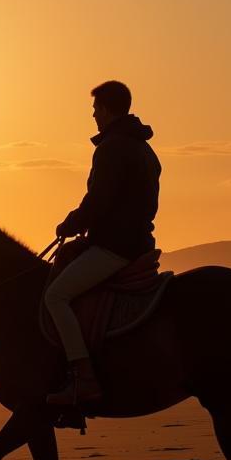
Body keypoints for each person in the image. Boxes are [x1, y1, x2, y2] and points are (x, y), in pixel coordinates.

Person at [44, 80, 161, 406]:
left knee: (56, 296)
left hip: (116, 247)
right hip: (138, 242)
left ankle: (85, 379)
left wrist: (71, 223)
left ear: (108, 110)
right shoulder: (144, 148)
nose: (93, 115)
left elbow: (98, 201)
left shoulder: (111, 149)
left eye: (96, 109)